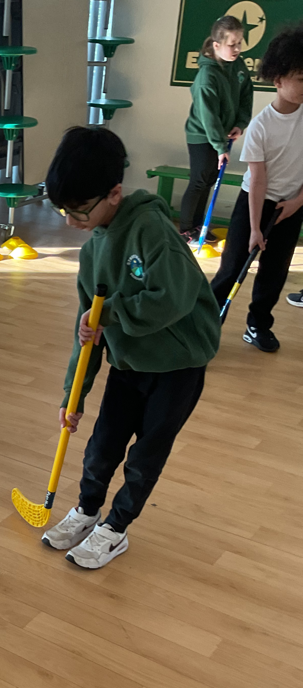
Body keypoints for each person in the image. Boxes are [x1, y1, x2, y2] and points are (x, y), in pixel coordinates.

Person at [42, 127, 221, 570]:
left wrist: (112, 315)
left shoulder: (152, 231)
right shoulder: (91, 255)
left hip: (177, 365)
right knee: (102, 446)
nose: (70, 221)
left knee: (145, 456)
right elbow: (86, 332)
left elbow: (172, 298)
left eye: (78, 210)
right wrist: (74, 394)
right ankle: (87, 511)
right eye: (62, 210)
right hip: (128, 364)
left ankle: (116, 528)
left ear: (115, 193)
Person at [211, 22, 303, 352]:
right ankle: (204, 323)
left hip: (291, 204)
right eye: (301, 80)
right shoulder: (262, 126)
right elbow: (258, 180)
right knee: (232, 265)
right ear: (278, 80)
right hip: (254, 202)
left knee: (274, 271)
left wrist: (297, 202)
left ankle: (258, 325)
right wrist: (254, 228)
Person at [180, 15, 253, 242]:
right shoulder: (206, 76)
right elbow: (208, 117)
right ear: (217, 45)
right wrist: (221, 147)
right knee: (200, 180)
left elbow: (246, 95)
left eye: (240, 43)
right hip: (202, 135)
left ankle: (199, 226)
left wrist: (240, 124)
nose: (237, 48)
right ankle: (185, 230)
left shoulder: (237, 65)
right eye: (232, 44)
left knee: (210, 180)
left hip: (220, 134)